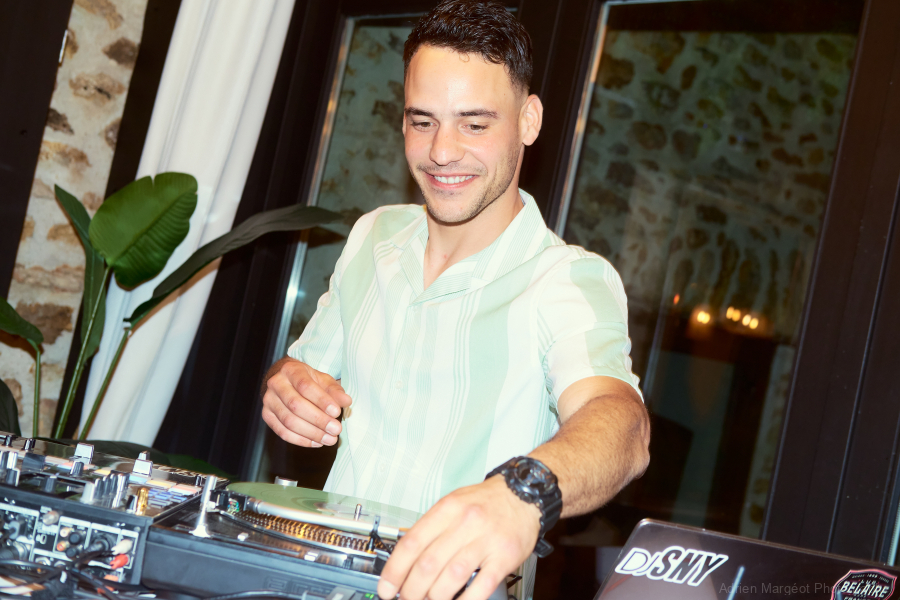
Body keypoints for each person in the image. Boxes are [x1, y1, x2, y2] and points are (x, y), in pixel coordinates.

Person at [261, 1, 650, 599]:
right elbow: (300, 372)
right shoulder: (373, 235)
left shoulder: (567, 280)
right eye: (423, 121)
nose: (442, 151)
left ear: (528, 121)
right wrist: (287, 386)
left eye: (474, 124)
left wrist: (522, 494)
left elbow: (622, 426)